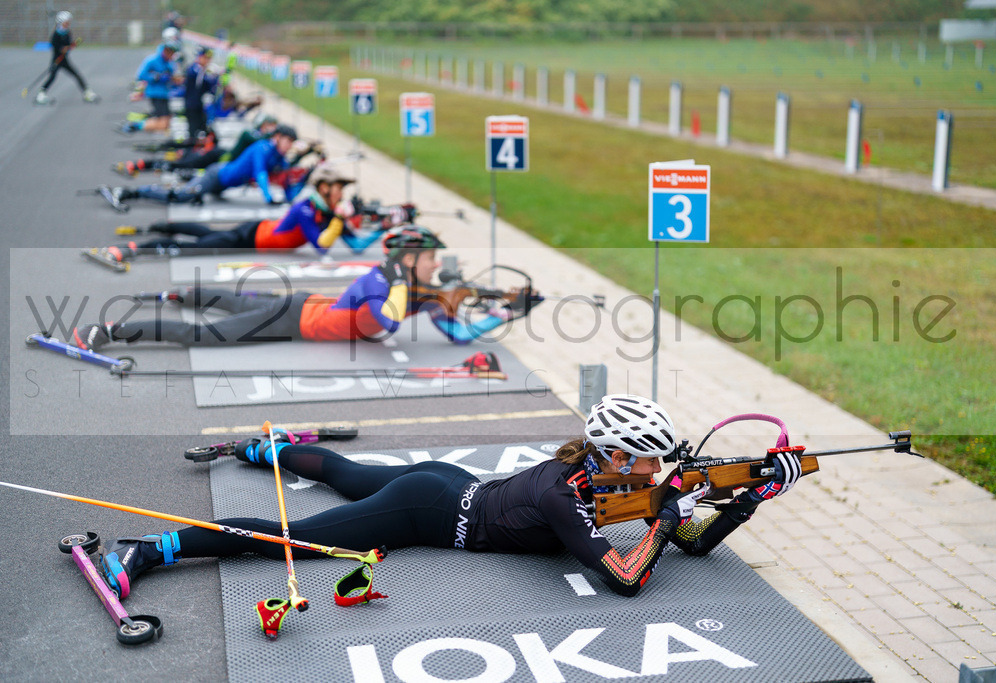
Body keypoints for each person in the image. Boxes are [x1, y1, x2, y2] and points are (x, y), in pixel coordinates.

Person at [96, 395, 803, 600]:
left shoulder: (610, 480)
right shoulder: (566, 493)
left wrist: (753, 495)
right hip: (428, 511)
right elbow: (626, 578)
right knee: (302, 536)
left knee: (343, 469)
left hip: (447, 480)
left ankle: (261, 448)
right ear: (616, 454)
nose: (659, 471)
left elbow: (689, 540)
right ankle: (151, 547)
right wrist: (674, 506)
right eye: (650, 460)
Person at [71, 225, 536, 350]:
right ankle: (111, 331)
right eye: (432, 258)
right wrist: (435, 300)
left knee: (233, 300)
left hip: (302, 308)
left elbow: (458, 335)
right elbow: (381, 327)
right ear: (410, 260)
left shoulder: (415, 290)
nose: (439, 265)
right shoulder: (379, 282)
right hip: (293, 318)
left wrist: (506, 312)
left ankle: (182, 295)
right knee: (207, 336)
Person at [93, 164, 387, 261]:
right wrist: (339, 220)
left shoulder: (331, 212)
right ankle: (135, 250)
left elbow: (358, 247)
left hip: (258, 231)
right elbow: (321, 248)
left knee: (212, 236)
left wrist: (385, 228)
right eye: (338, 187)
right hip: (254, 235)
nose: (341, 193)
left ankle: (166, 226)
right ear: (323, 188)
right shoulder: (306, 209)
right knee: (200, 249)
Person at [101, 124, 302, 206]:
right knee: (181, 196)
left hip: (223, 185)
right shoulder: (263, 148)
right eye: (288, 141)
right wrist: (268, 198)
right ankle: (129, 192)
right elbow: (260, 174)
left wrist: (289, 197)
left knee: (190, 193)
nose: (289, 146)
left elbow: (286, 178)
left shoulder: (278, 156)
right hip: (216, 176)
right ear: (277, 137)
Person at [111, 112, 278, 177]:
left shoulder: (262, 140)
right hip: (217, 157)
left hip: (219, 158)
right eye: (269, 125)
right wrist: (276, 134)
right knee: (179, 165)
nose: (271, 129)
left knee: (181, 164)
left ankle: (139, 165)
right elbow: (263, 140)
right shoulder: (251, 135)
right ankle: (137, 165)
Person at [35, 11, 98, 105]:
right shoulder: (56, 34)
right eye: (66, 22)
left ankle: (87, 93)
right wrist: (65, 48)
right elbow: (57, 48)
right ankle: (41, 94)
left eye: (69, 21)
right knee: (52, 77)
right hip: (57, 60)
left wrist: (72, 45)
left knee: (76, 74)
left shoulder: (67, 32)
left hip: (64, 60)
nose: (68, 23)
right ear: (61, 22)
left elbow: (68, 46)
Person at [122, 42, 182, 134]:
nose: (172, 56)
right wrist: (156, 77)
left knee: (166, 120)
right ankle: (135, 125)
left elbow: (171, 78)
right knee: (163, 122)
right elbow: (141, 75)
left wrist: (174, 80)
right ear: (166, 51)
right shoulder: (152, 60)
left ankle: (138, 121)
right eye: (171, 53)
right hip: (156, 94)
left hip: (165, 94)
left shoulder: (170, 63)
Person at [182, 47, 219, 139]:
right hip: (192, 106)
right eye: (205, 58)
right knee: (193, 130)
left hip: (200, 106)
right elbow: (200, 81)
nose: (207, 61)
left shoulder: (203, 70)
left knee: (204, 128)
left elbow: (210, 88)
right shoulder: (194, 69)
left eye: (209, 58)